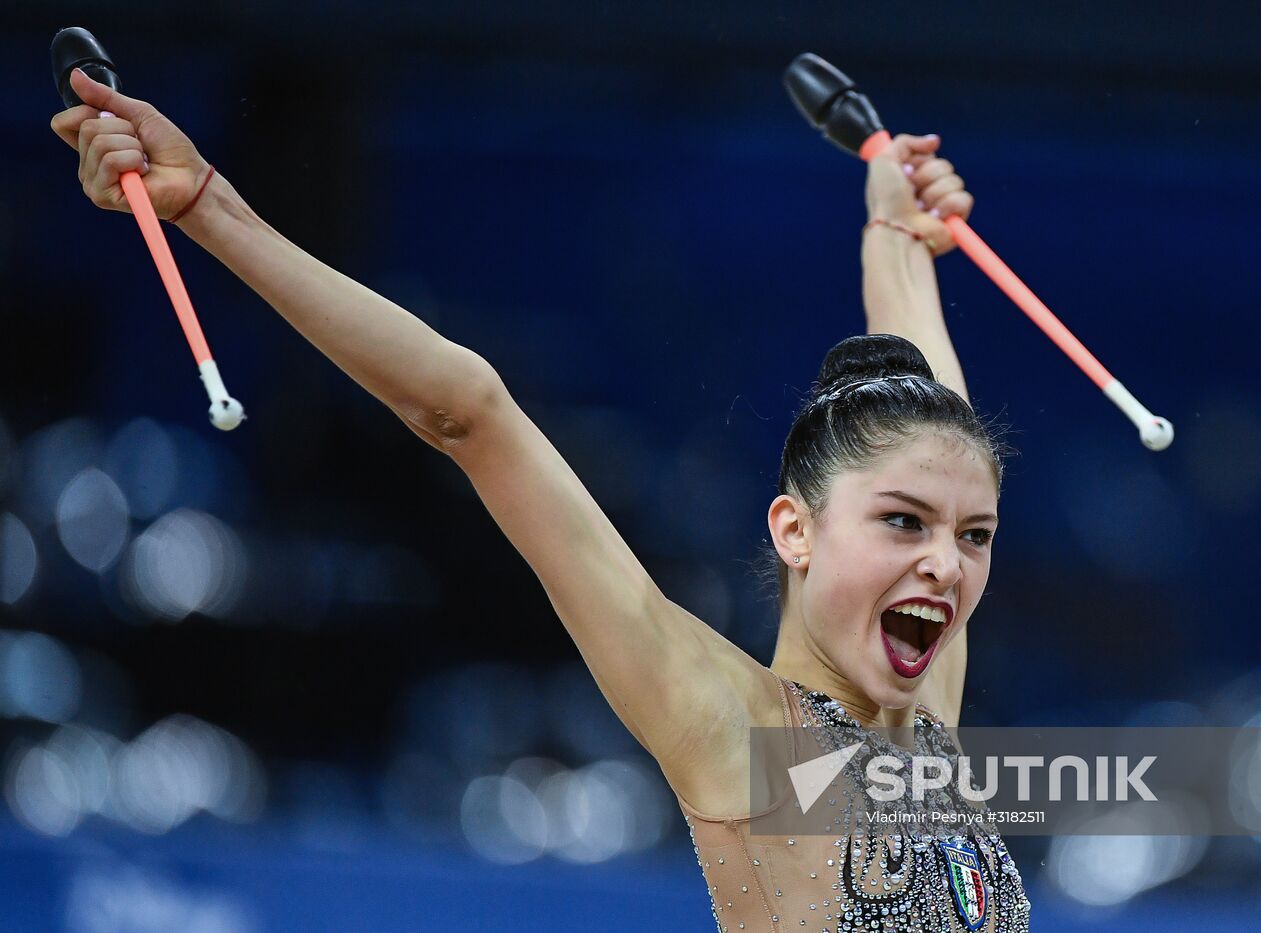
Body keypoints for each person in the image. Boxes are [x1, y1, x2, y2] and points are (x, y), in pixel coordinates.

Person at [52, 67, 1029, 931]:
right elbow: (466, 412)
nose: (944, 561)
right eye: (900, 524)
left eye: (972, 535)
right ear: (794, 531)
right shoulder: (737, 731)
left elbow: (934, 425)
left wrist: (892, 241)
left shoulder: (922, 729)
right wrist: (209, 210)